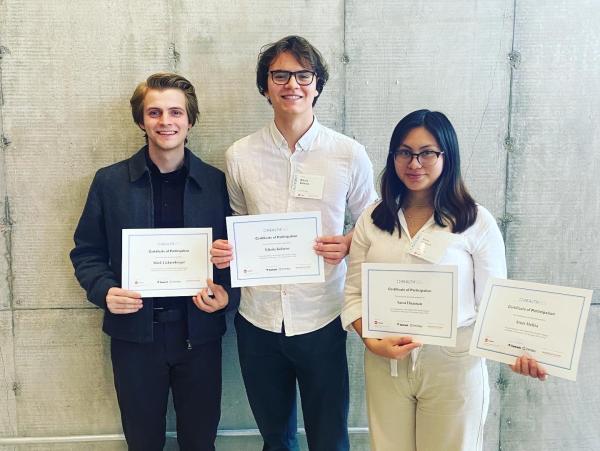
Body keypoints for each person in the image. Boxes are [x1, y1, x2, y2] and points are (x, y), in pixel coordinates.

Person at [341, 109, 546, 451]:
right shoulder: (371, 220)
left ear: (447, 157)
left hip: (454, 362)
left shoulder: (475, 222)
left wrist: (517, 353)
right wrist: (372, 342)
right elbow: (352, 295)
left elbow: (496, 303)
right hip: (385, 362)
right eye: (404, 152)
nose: (414, 162)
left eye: (427, 153)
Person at [210, 35, 377, 451]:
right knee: (275, 438)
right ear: (265, 86)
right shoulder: (239, 155)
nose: (292, 84)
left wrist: (349, 241)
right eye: (280, 75)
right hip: (258, 319)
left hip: (322, 316)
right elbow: (237, 219)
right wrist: (230, 250)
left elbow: (376, 217)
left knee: (330, 438)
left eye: (304, 74)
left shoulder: (347, 153)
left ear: (318, 83)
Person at [70, 72, 239, 451]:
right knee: (143, 443)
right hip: (135, 338)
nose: (166, 122)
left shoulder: (216, 183)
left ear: (190, 120)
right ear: (141, 120)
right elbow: (87, 251)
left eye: (176, 112)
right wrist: (104, 290)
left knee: (200, 443)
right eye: (155, 112)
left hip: (199, 336)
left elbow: (237, 253)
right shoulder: (109, 183)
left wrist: (227, 295)